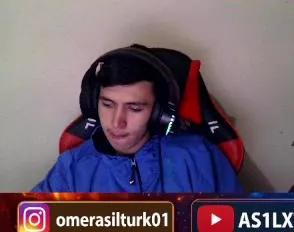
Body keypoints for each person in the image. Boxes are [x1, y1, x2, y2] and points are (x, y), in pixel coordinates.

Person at [31, 45, 243, 193]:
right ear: (93, 104)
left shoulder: (200, 157)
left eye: (134, 108)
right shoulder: (71, 169)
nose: (117, 122)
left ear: (160, 113)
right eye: (107, 105)